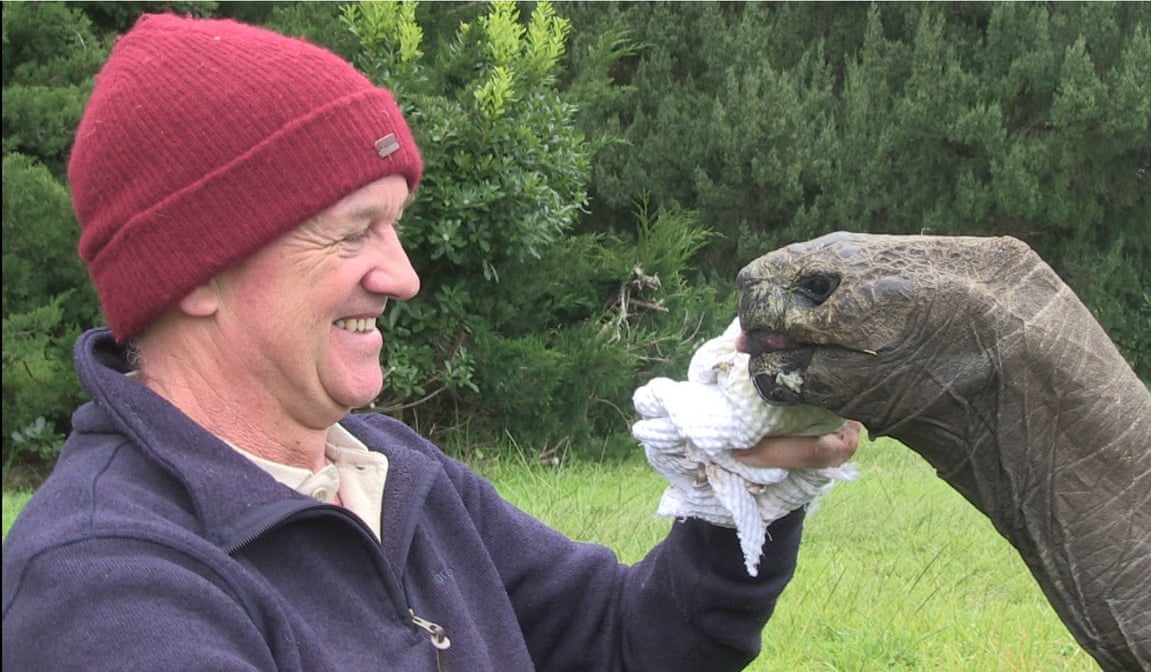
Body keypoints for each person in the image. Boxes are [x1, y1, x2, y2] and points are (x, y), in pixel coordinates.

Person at [1, 13, 860, 671]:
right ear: (197, 272)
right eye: (351, 232)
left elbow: (621, 644)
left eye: (395, 226)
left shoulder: (389, 469)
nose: (403, 276)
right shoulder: (108, 587)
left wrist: (742, 485)